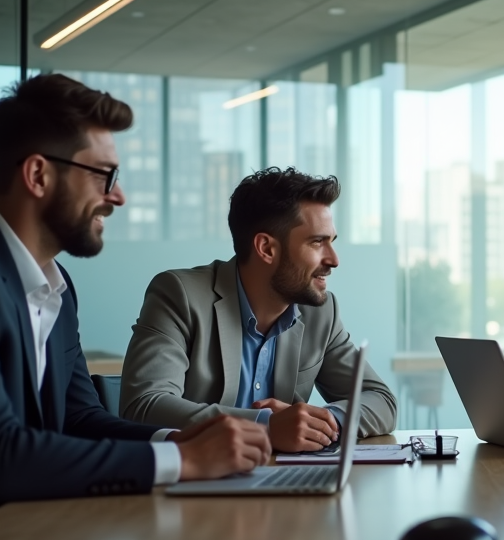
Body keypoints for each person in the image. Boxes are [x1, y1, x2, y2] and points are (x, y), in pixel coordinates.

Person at [0, 74, 270, 540]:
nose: (117, 196)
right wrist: (185, 463)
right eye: (103, 175)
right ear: (38, 175)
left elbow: (79, 419)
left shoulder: (54, 286)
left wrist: (176, 441)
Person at [120, 167, 397, 453]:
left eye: (331, 242)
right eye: (317, 242)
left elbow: (380, 400)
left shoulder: (321, 313)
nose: (334, 259)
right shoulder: (180, 295)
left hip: (281, 474)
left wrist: (324, 422)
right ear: (266, 248)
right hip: (198, 474)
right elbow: (143, 405)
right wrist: (265, 426)